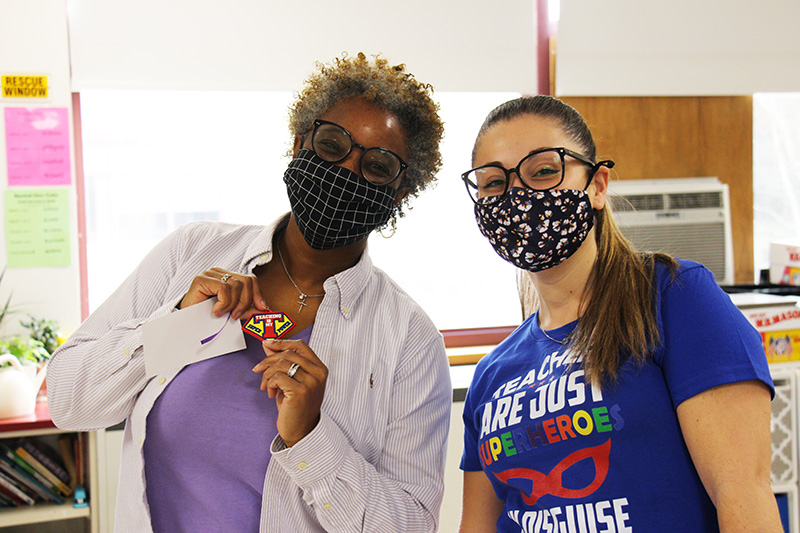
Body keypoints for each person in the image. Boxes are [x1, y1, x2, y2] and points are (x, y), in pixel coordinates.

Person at [47, 52, 452, 533]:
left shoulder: (409, 339)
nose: (347, 170)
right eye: (331, 144)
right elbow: (68, 401)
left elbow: (411, 526)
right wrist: (175, 323)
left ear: (402, 190)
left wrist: (311, 437)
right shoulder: (190, 254)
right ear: (299, 142)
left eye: (378, 165)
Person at [457, 95, 781, 532]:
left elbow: (744, 494)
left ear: (597, 185)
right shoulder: (490, 375)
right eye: (494, 182)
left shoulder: (673, 297)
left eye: (544, 172)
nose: (518, 195)